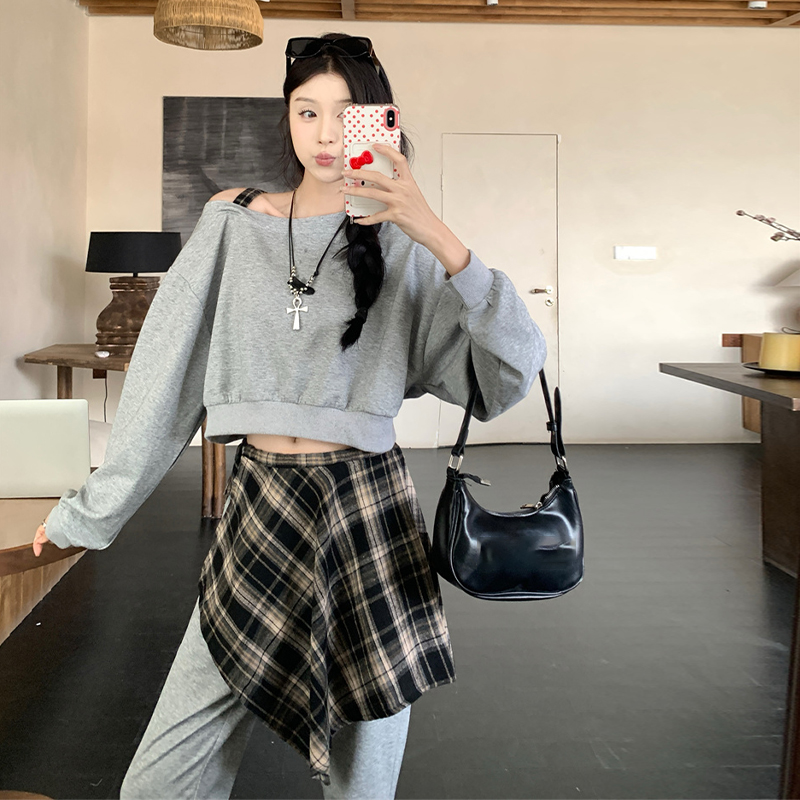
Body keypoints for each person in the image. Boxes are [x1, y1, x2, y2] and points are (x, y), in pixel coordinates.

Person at [32, 32, 547, 800]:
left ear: (381, 121)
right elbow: (163, 380)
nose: (326, 133)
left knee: (363, 779)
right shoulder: (233, 221)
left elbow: (507, 377)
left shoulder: (405, 244)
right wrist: (91, 513)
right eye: (307, 112)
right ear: (287, 119)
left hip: (370, 514)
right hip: (261, 504)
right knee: (163, 777)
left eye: (346, 114)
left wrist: (434, 231)